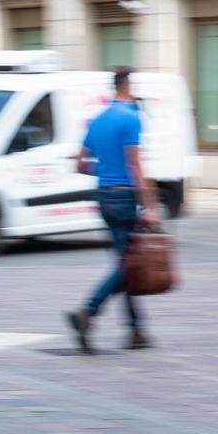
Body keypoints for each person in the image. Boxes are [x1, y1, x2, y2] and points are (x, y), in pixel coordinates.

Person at [65, 67, 160, 354]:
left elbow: (80, 164)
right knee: (127, 265)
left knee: (126, 262)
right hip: (123, 198)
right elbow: (135, 165)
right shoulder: (131, 118)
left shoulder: (97, 119)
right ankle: (87, 312)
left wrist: (104, 167)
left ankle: (135, 330)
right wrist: (150, 204)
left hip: (103, 197)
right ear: (126, 86)